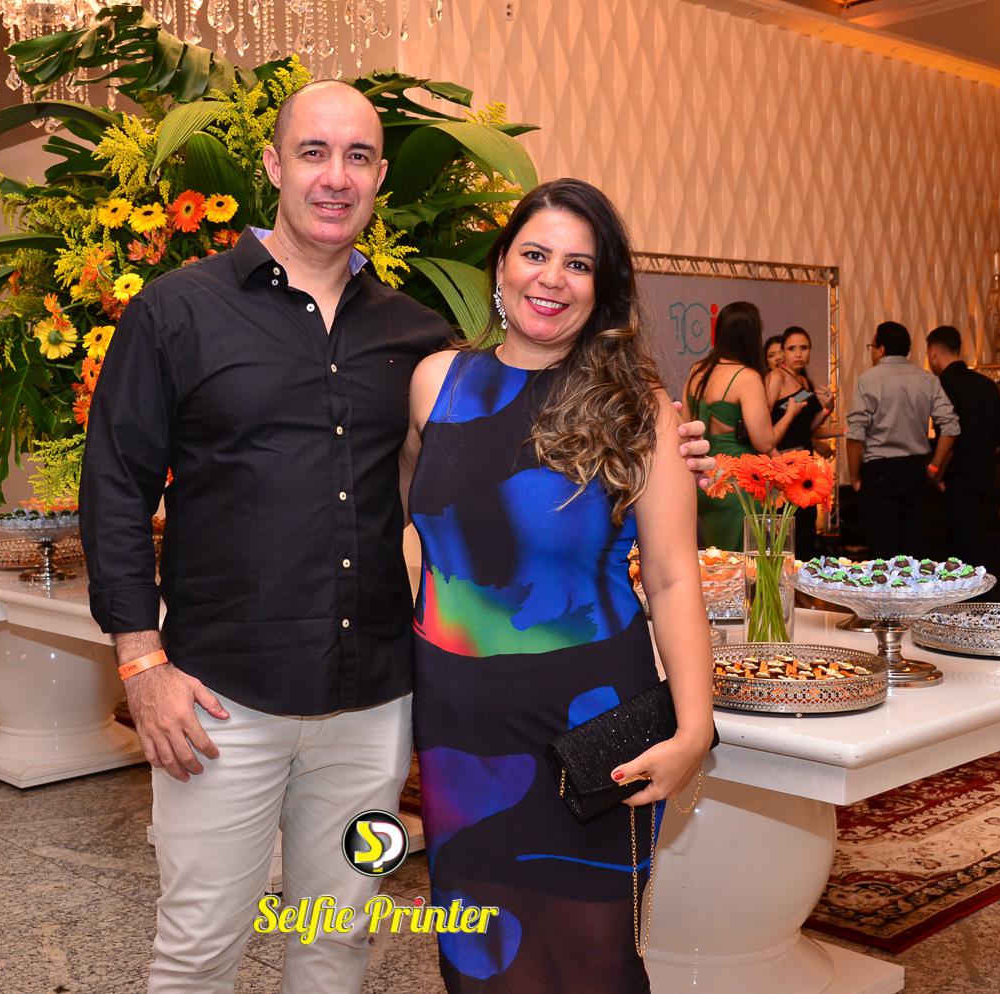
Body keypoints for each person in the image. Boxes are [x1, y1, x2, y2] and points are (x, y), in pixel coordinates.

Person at [80, 81, 716, 994]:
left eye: (358, 157)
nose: (335, 177)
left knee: (338, 939)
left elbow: (472, 485)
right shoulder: (182, 312)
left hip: (377, 707)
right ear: (273, 166)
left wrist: (665, 450)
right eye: (313, 152)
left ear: (380, 177)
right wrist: (141, 662)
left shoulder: (414, 343)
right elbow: (115, 485)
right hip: (225, 700)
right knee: (198, 946)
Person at [403, 178, 715, 993]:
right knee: (481, 958)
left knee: (592, 961)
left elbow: (673, 577)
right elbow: (418, 525)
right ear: (500, 267)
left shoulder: (641, 411)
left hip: (591, 729)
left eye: (578, 264)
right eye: (535, 254)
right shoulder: (436, 383)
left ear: (602, 288)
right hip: (458, 731)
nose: (552, 278)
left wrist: (694, 729)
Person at [683, 302, 806, 549]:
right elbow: (764, 442)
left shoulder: (698, 370)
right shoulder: (746, 377)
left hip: (704, 483)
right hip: (738, 488)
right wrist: (790, 414)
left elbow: (686, 426)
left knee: (717, 562)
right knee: (744, 566)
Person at [845, 321, 959, 559]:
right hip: (915, 470)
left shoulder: (868, 379)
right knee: (912, 549)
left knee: (882, 549)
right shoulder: (926, 379)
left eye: (872, 347)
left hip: (879, 470)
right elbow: (951, 426)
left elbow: (856, 434)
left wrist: (854, 476)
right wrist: (934, 466)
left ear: (881, 349)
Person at [925, 325, 1000, 569]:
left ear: (933, 353)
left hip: (956, 477)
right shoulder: (986, 384)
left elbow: (949, 435)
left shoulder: (942, 386)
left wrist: (936, 471)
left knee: (961, 545)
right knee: (978, 540)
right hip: (985, 473)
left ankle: (967, 590)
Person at [765, 325, 833, 555]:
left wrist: (828, 409)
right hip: (783, 463)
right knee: (785, 532)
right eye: (792, 348)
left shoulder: (804, 381)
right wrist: (776, 461)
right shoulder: (776, 377)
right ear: (782, 352)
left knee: (806, 530)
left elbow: (807, 428)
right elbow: (763, 425)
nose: (798, 354)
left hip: (806, 465)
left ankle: (804, 578)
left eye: (804, 348)